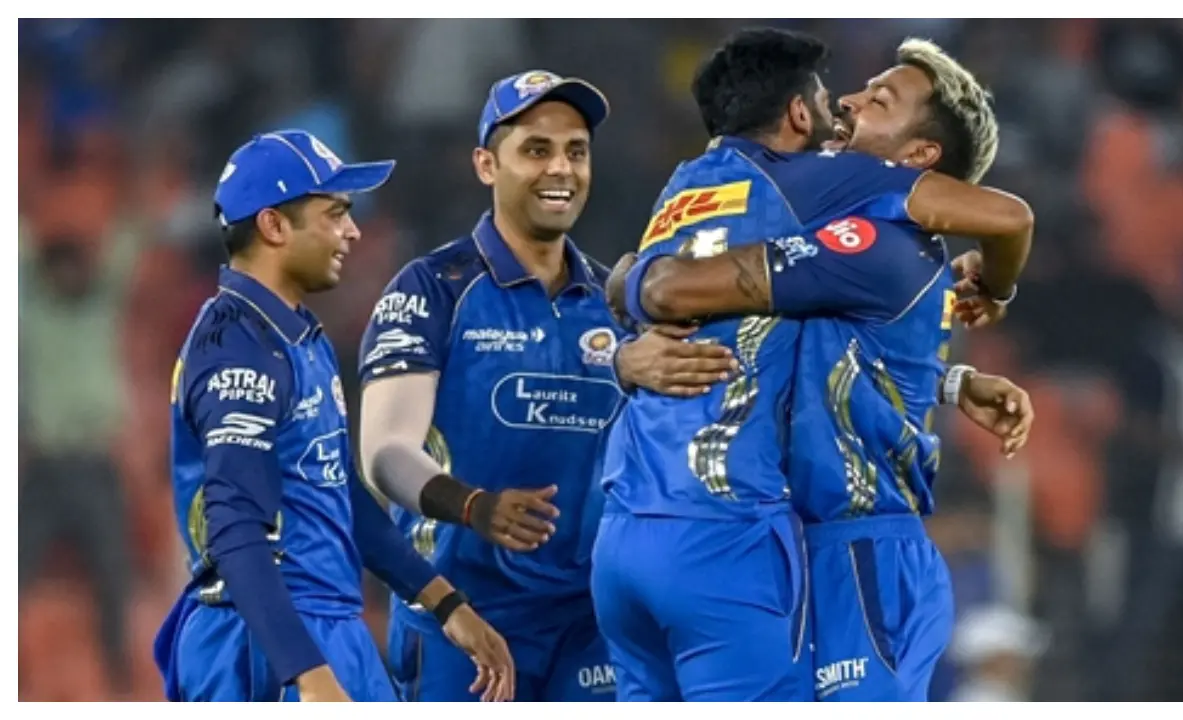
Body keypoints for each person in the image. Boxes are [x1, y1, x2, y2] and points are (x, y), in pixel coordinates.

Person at [596, 28, 1034, 702]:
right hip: (802, 538)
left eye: (879, 101)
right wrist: (953, 380)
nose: (849, 102)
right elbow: (820, 346)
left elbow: (674, 288)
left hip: (863, 549)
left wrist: (631, 282)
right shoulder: (821, 227)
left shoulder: (876, 242)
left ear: (918, 159)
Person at [356, 71, 735, 702]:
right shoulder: (433, 289)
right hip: (461, 615)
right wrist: (475, 506)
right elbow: (384, 453)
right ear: (486, 165)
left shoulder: (620, 303)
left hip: (589, 623)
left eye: (576, 152)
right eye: (536, 150)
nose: (561, 168)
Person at [152, 129, 515, 702]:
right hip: (264, 643)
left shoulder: (295, 335)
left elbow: (338, 489)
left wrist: (444, 601)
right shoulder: (237, 349)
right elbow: (235, 529)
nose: (353, 231)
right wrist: (308, 674)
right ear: (274, 226)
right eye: (336, 213)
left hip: (325, 628)